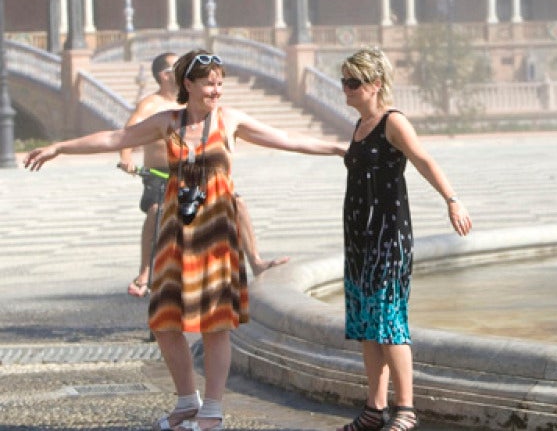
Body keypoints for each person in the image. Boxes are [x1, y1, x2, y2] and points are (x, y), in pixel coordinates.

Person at [24, 50, 346, 431]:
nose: (216, 90)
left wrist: (338, 148)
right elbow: (117, 136)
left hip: (216, 235)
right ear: (188, 85)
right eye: (209, 83)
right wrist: (60, 147)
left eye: (220, 82)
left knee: (215, 324)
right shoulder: (168, 122)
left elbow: (287, 139)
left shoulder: (229, 121)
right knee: (164, 320)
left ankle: (212, 408)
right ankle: (186, 399)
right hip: (177, 232)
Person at [337, 47, 472, 431]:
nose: (345, 89)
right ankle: (373, 409)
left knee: (390, 322)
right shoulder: (360, 126)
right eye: (343, 82)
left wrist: (452, 200)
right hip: (359, 239)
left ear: (375, 84)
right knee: (366, 324)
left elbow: (425, 160)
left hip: (388, 237)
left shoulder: (392, 122)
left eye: (353, 83)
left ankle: (407, 410)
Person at [119, 52, 288, 298]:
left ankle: (255, 261)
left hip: (194, 173)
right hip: (160, 172)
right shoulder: (152, 106)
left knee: (236, 202)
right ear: (164, 76)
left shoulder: (191, 102)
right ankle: (146, 271)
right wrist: (125, 157)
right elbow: (126, 134)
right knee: (157, 210)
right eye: (176, 67)